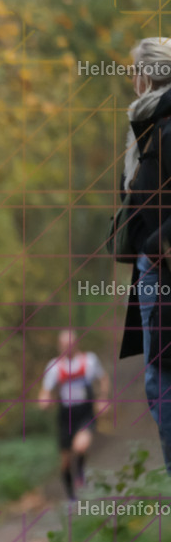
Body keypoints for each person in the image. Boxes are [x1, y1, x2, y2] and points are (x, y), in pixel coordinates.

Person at [118, 37, 171, 476]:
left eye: (135, 70)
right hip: (152, 268)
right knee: (157, 381)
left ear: (147, 75)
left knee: (163, 381)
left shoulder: (166, 124)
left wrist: (155, 247)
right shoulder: (149, 123)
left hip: (161, 266)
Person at [37, 330, 110, 500]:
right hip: (65, 415)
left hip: (85, 412)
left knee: (81, 446)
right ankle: (71, 497)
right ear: (59, 346)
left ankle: (81, 474)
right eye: (63, 345)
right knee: (65, 461)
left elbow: (103, 378)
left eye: (70, 344)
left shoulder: (89, 360)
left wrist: (103, 398)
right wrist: (44, 401)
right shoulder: (54, 366)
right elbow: (46, 390)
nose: (67, 348)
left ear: (76, 344)